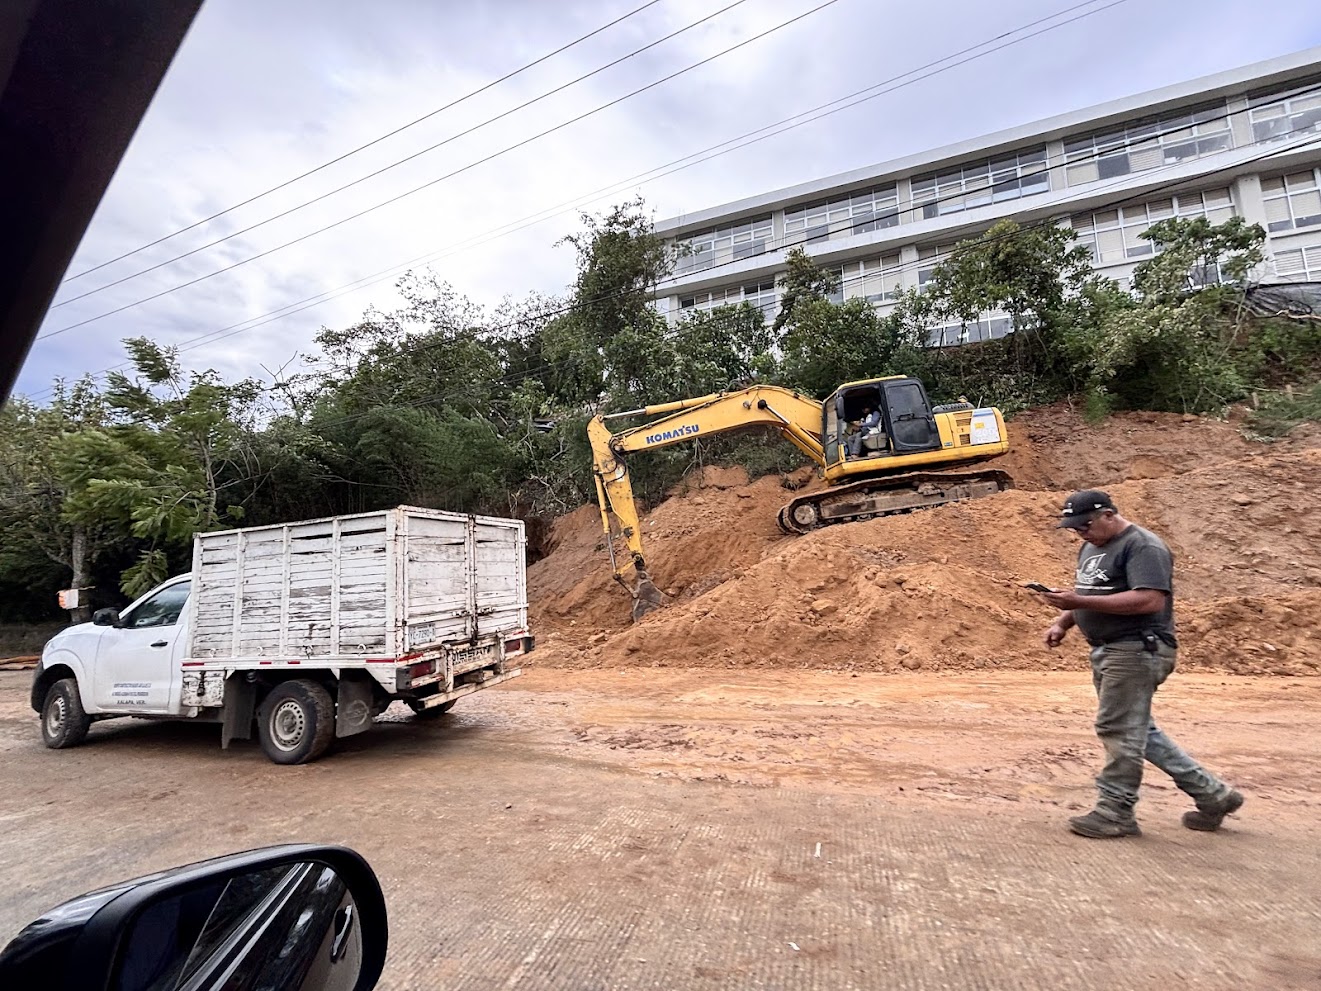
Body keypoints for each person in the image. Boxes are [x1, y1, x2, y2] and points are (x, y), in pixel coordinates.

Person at [1034, 489, 1243, 839]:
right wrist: (1064, 620)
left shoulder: (1144, 547)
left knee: (1117, 729)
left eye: (1085, 525)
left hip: (1135, 648)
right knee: (1138, 730)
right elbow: (1090, 593)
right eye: (1074, 528)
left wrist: (1076, 602)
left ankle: (1116, 811)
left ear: (1109, 514)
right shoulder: (1093, 547)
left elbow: (1149, 600)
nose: (1080, 533)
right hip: (1111, 649)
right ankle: (1214, 795)